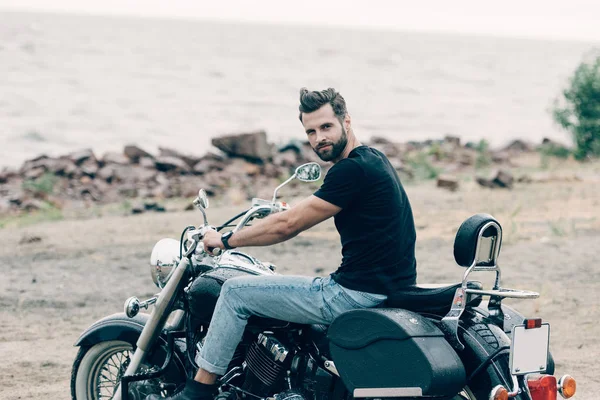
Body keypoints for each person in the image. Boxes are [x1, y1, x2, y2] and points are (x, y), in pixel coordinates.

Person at [147, 87, 417, 400]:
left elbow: (287, 226)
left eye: (326, 127)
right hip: (389, 286)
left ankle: (198, 391)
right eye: (311, 132)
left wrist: (225, 239)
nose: (319, 139)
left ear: (346, 122)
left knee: (235, 293)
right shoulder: (373, 160)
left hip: (353, 293)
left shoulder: (351, 170)